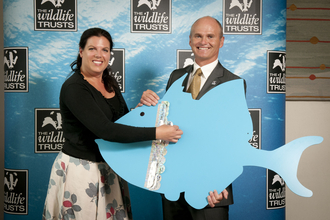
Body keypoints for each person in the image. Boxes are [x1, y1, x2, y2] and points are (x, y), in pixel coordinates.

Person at [42, 27, 183, 220]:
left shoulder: (109, 81)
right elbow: (106, 131)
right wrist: (158, 133)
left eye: (105, 50)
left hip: (110, 168)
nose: (99, 55)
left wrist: (141, 108)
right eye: (92, 49)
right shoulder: (74, 88)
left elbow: (121, 121)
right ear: (81, 51)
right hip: (82, 172)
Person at [139, 16, 246, 220]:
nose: (203, 41)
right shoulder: (175, 77)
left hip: (210, 189)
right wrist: (146, 105)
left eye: (210, 36)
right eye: (198, 36)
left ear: (221, 41)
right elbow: (166, 124)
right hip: (173, 184)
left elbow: (234, 139)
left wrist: (222, 180)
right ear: (190, 40)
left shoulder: (234, 83)